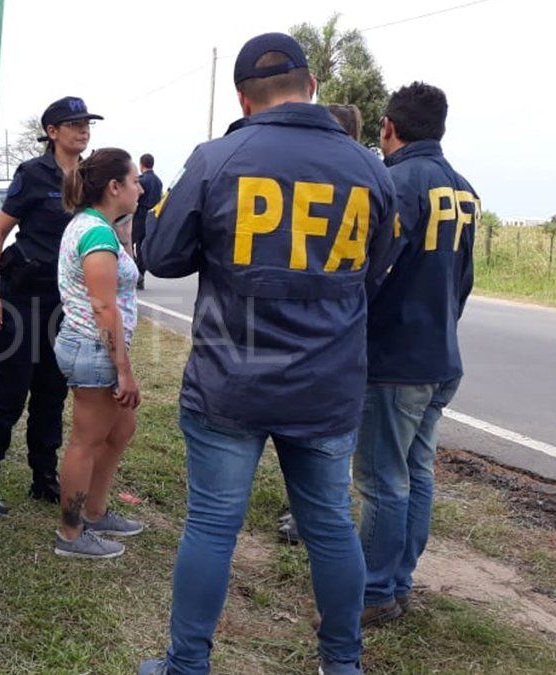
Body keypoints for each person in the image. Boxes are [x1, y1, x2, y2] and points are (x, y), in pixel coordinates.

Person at [137, 33, 398, 675]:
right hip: (327, 385)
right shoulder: (368, 168)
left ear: (242, 99)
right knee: (331, 527)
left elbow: (162, 256)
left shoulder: (218, 157)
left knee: (212, 526)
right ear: (312, 86)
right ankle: (342, 663)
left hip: (230, 383)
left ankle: (187, 664)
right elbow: (377, 268)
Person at [354, 82, 478, 626]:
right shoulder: (464, 189)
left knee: (383, 479)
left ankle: (375, 591)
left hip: (394, 360)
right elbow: (465, 279)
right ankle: (400, 580)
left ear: (387, 127)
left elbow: (372, 271)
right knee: (416, 473)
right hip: (439, 355)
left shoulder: (397, 181)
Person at [0, 97, 102, 518]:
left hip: (64, 305)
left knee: (52, 393)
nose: (83, 131)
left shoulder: (88, 177)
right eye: (73, 124)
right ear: (52, 131)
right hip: (21, 300)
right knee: (10, 393)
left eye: (86, 124)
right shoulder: (33, 173)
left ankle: (43, 476)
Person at [276, 101, 364, 546]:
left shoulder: (294, 175)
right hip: (335, 357)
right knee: (332, 519)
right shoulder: (369, 176)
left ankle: (300, 516)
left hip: (284, 353)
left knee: (214, 517)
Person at [51, 148, 145, 559]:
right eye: (134, 181)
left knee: (121, 429)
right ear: (114, 187)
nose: (140, 188)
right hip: (93, 348)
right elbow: (103, 307)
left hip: (96, 346)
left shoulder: (92, 225)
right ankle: (71, 535)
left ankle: (95, 510)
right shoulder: (96, 233)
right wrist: (123, 370)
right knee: (86, 441)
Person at [132, 154, 163, 289]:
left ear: (141, 164)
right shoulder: (158, 181)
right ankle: (141, 274)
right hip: (152, 216)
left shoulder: (141, 180)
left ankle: (134, 272)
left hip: (140, 214)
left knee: (129, 242)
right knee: (143, 246)